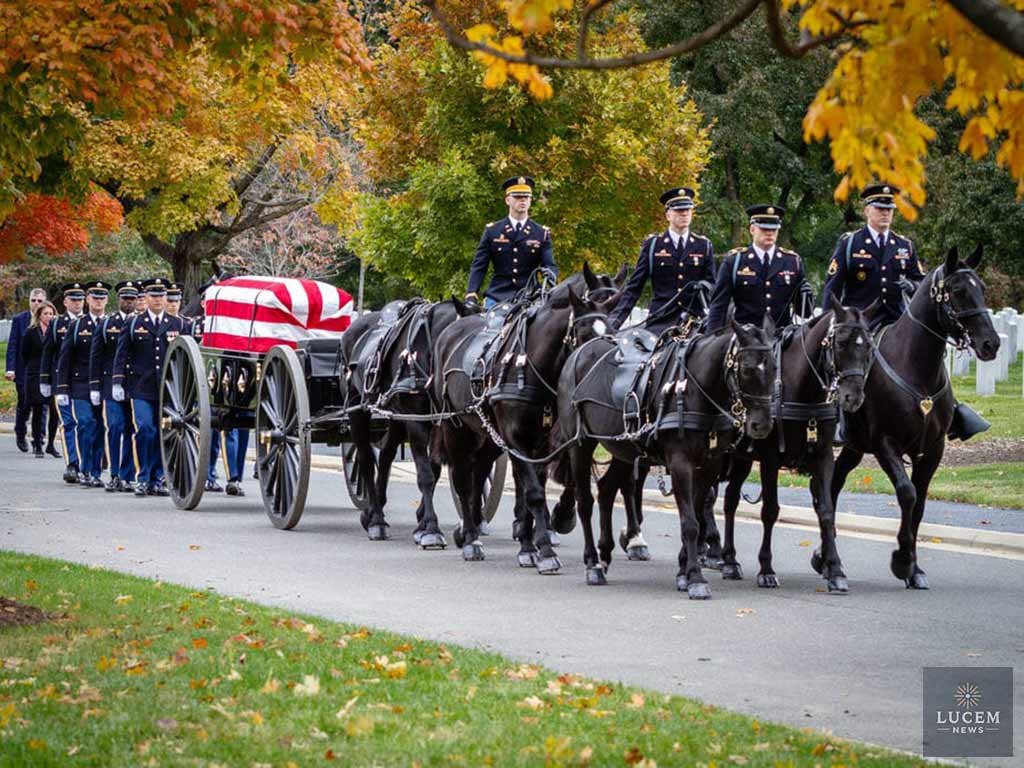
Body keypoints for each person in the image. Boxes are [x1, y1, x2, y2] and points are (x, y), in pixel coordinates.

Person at [822, 183, 988, 441]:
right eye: (879, 208)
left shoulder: (904, 245)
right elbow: (833, 286)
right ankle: (836, 416)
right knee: (848, 363)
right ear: (867, 211)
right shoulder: (850, 243)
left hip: (898, 316)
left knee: (929, 354)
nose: (885, 214)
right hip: (862, 320)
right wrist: (828, 319)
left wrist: (910, 284)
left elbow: (921, 281)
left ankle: (951, 412)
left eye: (889, 209)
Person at [113, 278, 184, 497]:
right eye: (153, 296)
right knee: (145, 429)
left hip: (168, 390)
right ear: (146, 297)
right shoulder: (135, 323)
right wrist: (117, 381)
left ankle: (158, 477)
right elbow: (122, 353)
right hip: (141, 387)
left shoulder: (178, 324)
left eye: (161, 296)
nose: (158, 300)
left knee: (163, 433)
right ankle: (142, 477)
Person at [609, 187, 715, 332]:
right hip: (661, 320)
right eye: (679, 211)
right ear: (668, 215)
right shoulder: (653, 245)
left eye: (688, 210)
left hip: (694, 321)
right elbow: (634, 288)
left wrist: (704, 286)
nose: (684, 214)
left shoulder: (703, 245)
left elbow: (712, 287)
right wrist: (613, 324)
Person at [706, 204, 811, 333]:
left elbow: (804, 313)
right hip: (746, 338)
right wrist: (712, 337)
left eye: (774, 229)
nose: (769, 233)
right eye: (764, 229)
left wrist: (806, 296)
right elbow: (719, 306)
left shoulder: (792, 261)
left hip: (781, 337)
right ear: (752, 229)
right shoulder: (734, 261)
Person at [466, 176, 556, 310]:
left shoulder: (541, 233)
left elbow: (550, 265)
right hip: (498, 296)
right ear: (508, 200)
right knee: (491, 328)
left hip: (530, 297)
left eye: (526, 197)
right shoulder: (493, 231)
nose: (523, 200)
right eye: (518, 197)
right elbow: (479, 265)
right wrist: (471, 292)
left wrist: (550, 276)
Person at [56, 281, 110, 487]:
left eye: (102, 298)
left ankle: (96, 471)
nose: (98, 301)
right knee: (86, 423)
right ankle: (84, 469)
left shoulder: (109, 323)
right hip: (80, 384)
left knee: (99, 427)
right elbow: (65, 357)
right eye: (95, 297)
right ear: (87, 299)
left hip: (103, 383)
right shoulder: (77, 325)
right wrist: (61, 388)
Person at [90, 280, 140, 492]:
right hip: (111, 384)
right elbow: (96, 355)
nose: (128, 302)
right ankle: (114, 473)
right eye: (125, 298)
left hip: (135, 385)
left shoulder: (141, 322)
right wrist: (95, 386)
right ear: (118, 299)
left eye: (132, 299)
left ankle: (128, 475)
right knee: (115, 426)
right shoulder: (107, 323)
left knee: (131, 429)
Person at [41, 282, 86, 483]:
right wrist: (45, 380)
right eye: (73, 300)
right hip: (62, 381)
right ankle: (72, 463)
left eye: (80, 300)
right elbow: (48, 352)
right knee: (69, 422)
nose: (77, 303)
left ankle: (87, 463)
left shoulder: (89, 322)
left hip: (84, 381)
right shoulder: (57, 324)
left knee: (87, 423)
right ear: (66, 302)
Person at [5, 288, 47, 452]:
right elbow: (13, 345)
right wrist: (10, 368)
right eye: (34, 300)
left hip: (42, 371)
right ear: (29, 301)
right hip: (24, 370)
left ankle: (39, 438)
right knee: (25, 403)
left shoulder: (49, 318)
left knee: (42, 405)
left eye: (40, 301)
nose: (36, 303)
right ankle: (20, 432)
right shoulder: (20, 319)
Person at [19, 300, 57, 457]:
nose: (48, 316)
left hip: (53, 375)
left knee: (55, 412)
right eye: (45, 314)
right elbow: (24, 354)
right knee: (38, 410)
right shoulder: (31, 332)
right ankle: (38, 445)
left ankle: (50, 444)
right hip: (35, 374)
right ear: (39, 315)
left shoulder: (57, 330)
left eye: (51, 313)